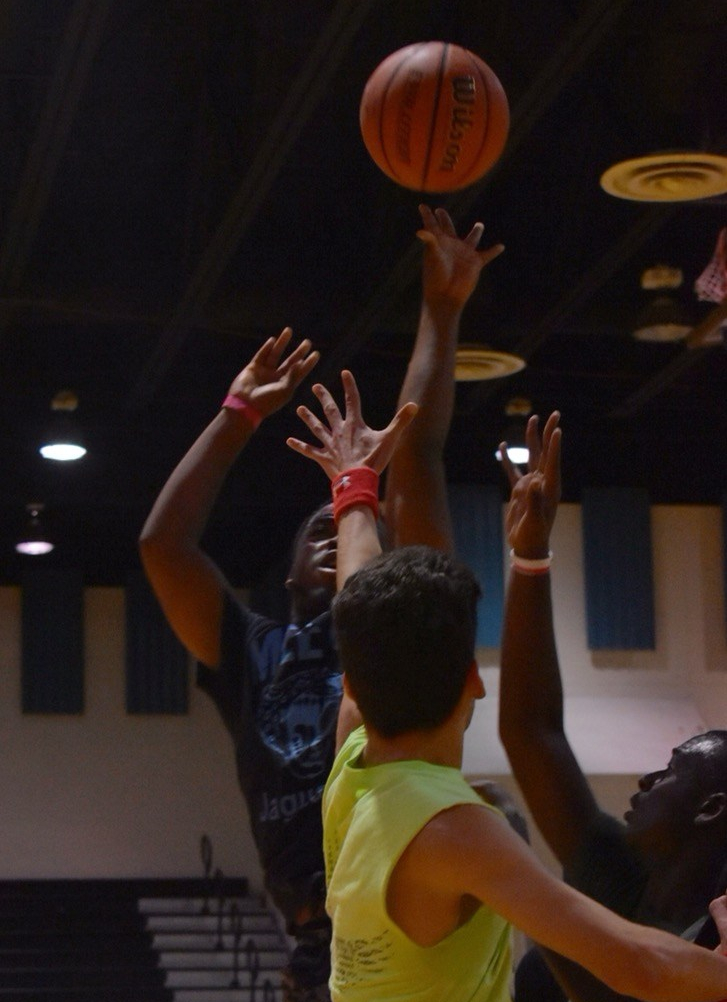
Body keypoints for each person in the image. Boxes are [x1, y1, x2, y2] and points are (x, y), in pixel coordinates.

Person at [138, 205, 502, 1002]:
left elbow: (418, 455)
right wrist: (238, 416)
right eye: (318, 530)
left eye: (340, 524)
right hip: (317, 925)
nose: (334, 537)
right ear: (291, 570)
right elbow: (163, 548)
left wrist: (440, 311)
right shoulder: (251, 648)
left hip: (402, 877)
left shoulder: (396, 626)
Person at [287, 369, 727, 1002]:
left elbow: (357, 599)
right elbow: (637, 962)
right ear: (474, 679)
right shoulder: (457, 828)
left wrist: (355, 485)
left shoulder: (354, 766)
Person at [498, 412, 727, 1002]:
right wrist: (530, 558)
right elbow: (532, 732)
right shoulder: (622, 878)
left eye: (673, 770)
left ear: (713, 808)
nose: (649, 777)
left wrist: (513, 878)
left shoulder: (717, 937)